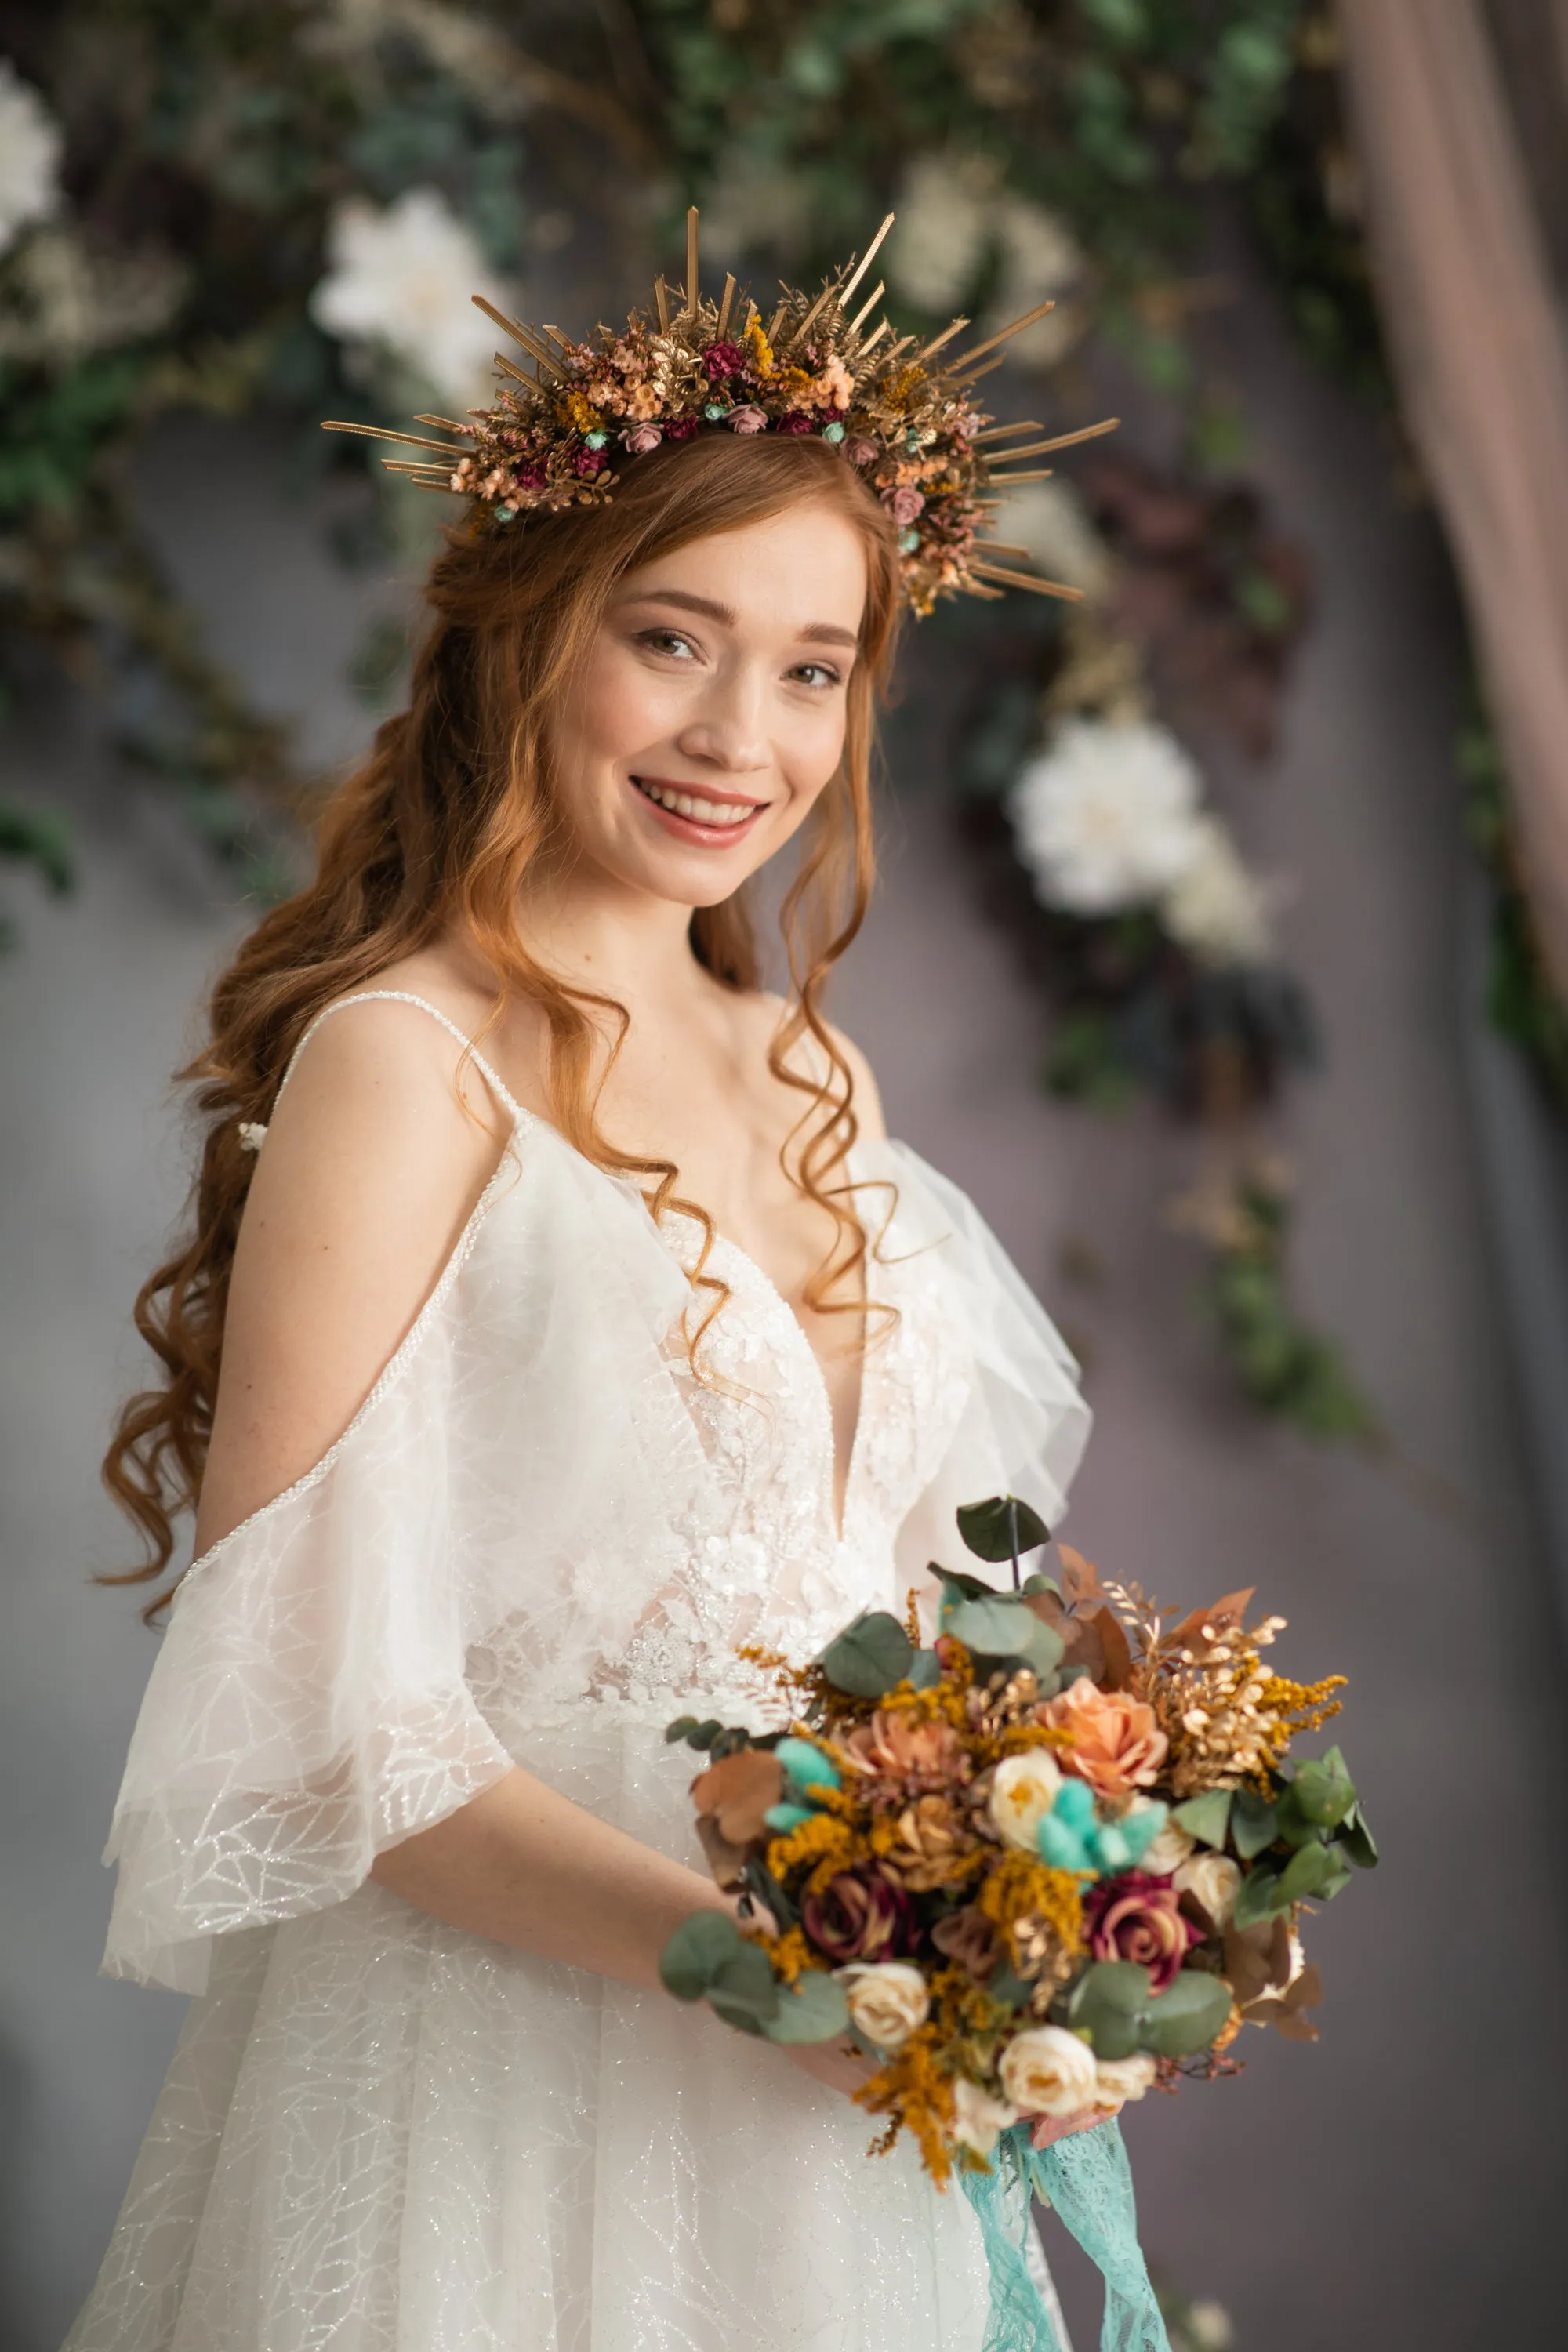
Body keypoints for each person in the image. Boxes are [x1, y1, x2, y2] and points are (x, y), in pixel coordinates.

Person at [65, 227, 1102, 2352]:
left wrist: (1040, 1890)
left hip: (824, 2102)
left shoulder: (817, 1074)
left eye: (815, 666)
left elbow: (906, 1634)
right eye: (673, 638)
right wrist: (753, 1972)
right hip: (506, 2091)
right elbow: (316, 1721)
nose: (746, 732)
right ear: (532, 634)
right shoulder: (402, 1063)